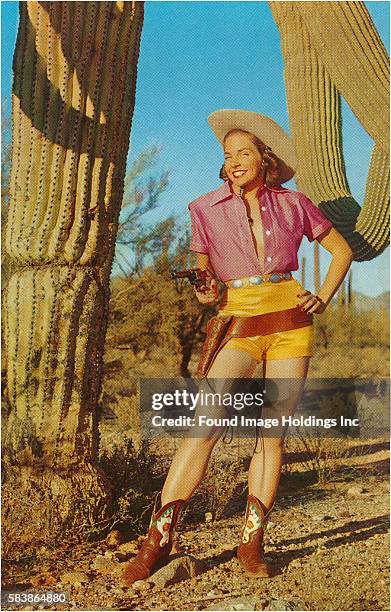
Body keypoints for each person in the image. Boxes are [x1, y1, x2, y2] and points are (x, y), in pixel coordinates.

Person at [122, 109, 353, 585]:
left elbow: (342, 250)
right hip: (240, 321)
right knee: (203, 427)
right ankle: (158, 541)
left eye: (243, 153)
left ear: (263, 158)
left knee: (272, 434)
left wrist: (323, 296)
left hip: (292, 321)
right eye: (227, 156)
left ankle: (251, 542)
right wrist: (205, 291)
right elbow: (204, 278)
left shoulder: (294, 203)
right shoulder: (203, 208)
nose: (234, 162)